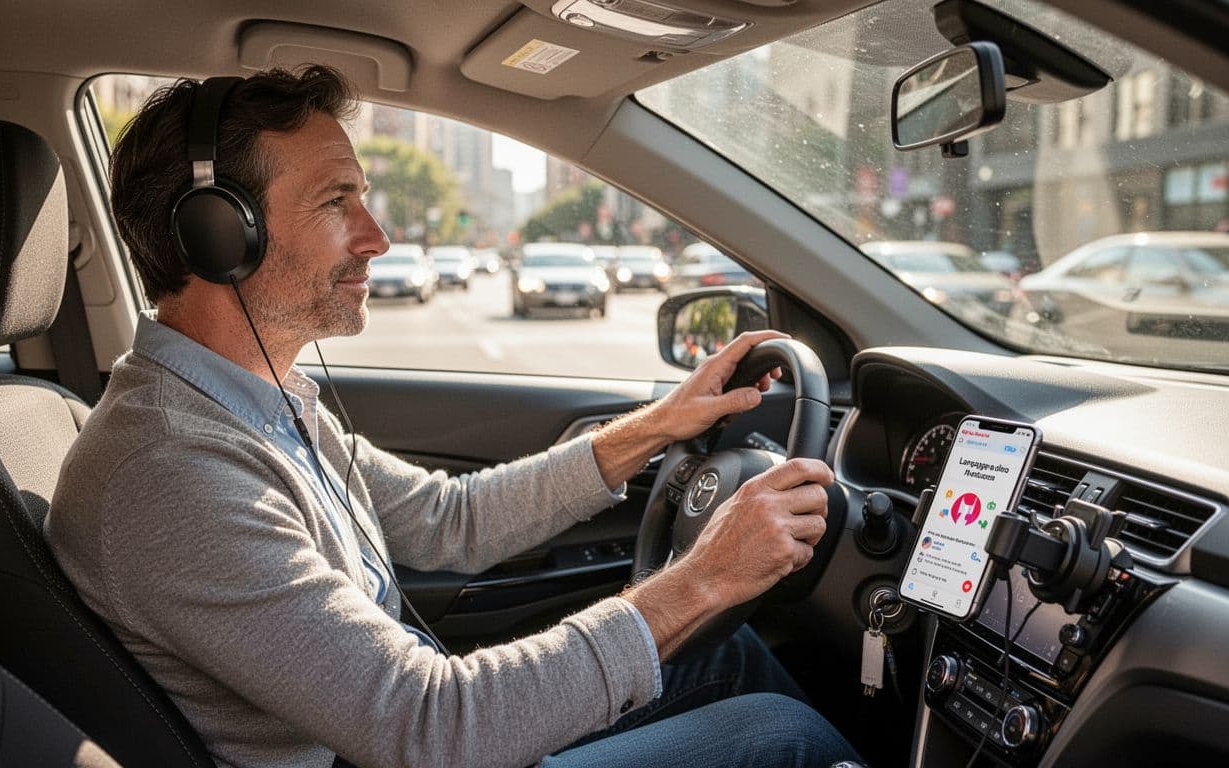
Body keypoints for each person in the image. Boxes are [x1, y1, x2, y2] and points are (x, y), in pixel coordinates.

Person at [45, 65, 859, 768]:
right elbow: (429, 728)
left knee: (729, 647)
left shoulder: (252, 403)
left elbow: (447, 518)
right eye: (338, 201)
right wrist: (707, 574)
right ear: (218, 234)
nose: (378, 237)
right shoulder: (172, 473)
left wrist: (659, 424)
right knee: (778, 734)